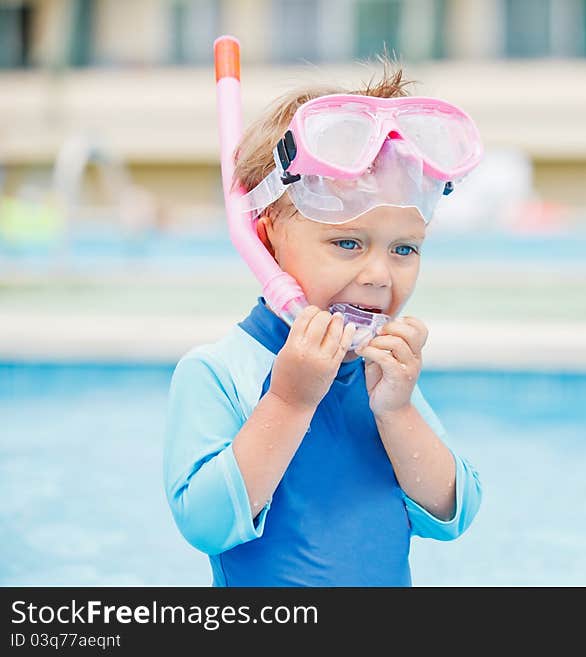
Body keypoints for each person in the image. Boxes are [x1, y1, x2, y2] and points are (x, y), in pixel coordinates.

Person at [163, 65, 483, 586]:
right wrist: (289, 402)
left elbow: (454, 513)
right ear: (267, 242)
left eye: (404, 249)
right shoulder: (219, 372)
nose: (380, 276)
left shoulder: (383, 377)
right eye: (348, 244)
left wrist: (398, 411)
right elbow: (206, 524)